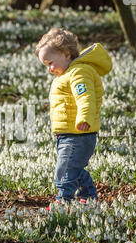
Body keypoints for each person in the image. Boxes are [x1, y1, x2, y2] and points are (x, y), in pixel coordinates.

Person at [35, 27, 112, 211]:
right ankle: (88, 197)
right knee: (74, 169)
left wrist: (84, 117)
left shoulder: (79, 73)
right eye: (45, 65)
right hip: (68, 133)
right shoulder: (68, 74)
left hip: (78, 132)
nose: (49, 69)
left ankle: (63, 200)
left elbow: (86, 97)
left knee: (65, 170)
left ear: (66, 54)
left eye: (50, 62)